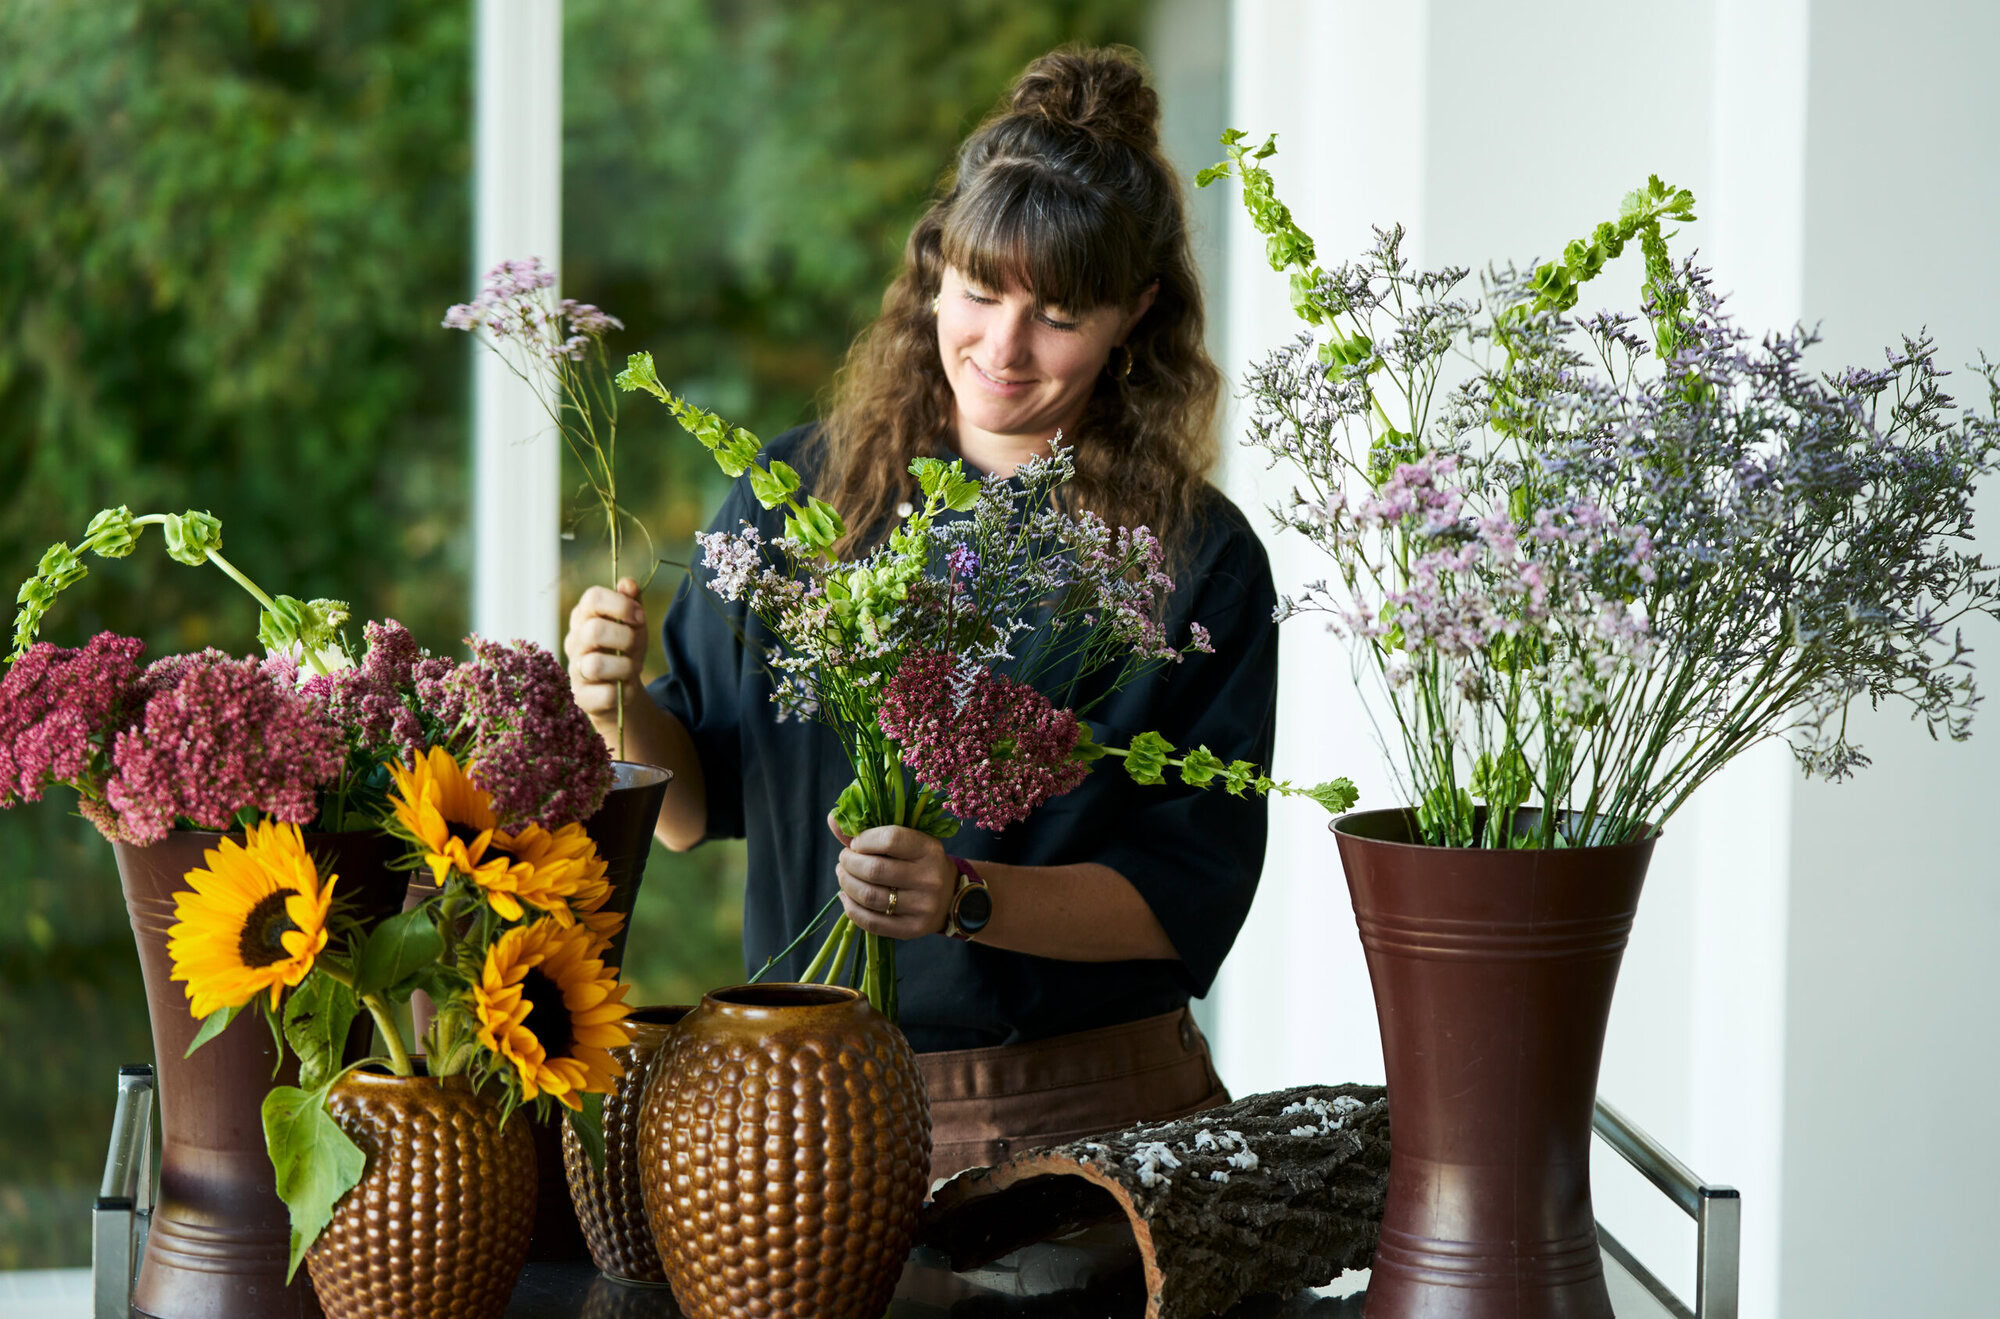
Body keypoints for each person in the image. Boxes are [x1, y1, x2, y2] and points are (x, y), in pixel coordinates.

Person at [563, 45, 1278, 1182]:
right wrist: (612, 701)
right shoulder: (799, 497)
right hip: (807, 1107)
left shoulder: (1197, 560)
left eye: (1058, 314)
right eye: (981, 293)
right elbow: (691, 803)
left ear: (1134, 314)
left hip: (1079, 1120)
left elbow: (1184, 895)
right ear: (935, 267)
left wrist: (965, 896)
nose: (1002, 348)